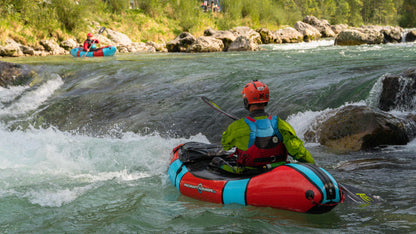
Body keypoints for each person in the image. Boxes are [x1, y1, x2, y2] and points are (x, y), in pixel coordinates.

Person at [221, 80, 315, 171]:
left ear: (246, 101)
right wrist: (315, 167)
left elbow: (225, 145)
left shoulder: (237, 126)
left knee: (217, 162)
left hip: (250, 174)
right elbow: (300, 152)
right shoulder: (280, 124)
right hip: (277, 171)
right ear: (266, 101)